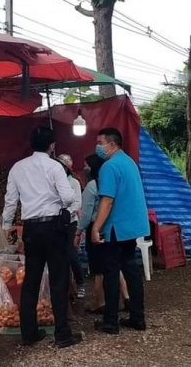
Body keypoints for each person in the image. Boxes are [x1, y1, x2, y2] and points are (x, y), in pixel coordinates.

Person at [2, 127, 82, 349]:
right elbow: (68, 197)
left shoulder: (18, 168)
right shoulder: (54, 166)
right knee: (58, 279)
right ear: (52, 146)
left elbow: (10, 200)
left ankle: (29, 333)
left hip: (31, 229)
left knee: (31, 281)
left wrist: (7, 225)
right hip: (54, 228)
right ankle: (62, 334)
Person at [91, 127, 150, 334]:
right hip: (132, 226)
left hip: (116, 227)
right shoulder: (129, 162)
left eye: (100, 143)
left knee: (111, 273)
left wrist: (96, 227)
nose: (98, 147)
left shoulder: (109, 167)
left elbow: (107, 201)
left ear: (112, 143)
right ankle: (137, 317)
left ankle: (111, 321)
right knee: (131, 271)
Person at [78, 154, 130, 314]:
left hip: (96, 227)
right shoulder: (111, 182)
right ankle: (126, 298)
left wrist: (78, 231)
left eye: (87, 166)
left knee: (98, 269)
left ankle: (100, 303)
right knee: (115, 265)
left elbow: (86, 214)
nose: (85, 169)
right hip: (112, 227)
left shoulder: (92, 186)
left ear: (92, 168)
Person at [56, 154, 85, 299]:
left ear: (66, 168)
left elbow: (78, 202)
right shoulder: (53, 181)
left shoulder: (74, 183)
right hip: (56, 222)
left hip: (71, 221)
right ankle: (65, 285)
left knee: (71, 254)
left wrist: (68, 211)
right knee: (58, 255)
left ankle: (80, 283)